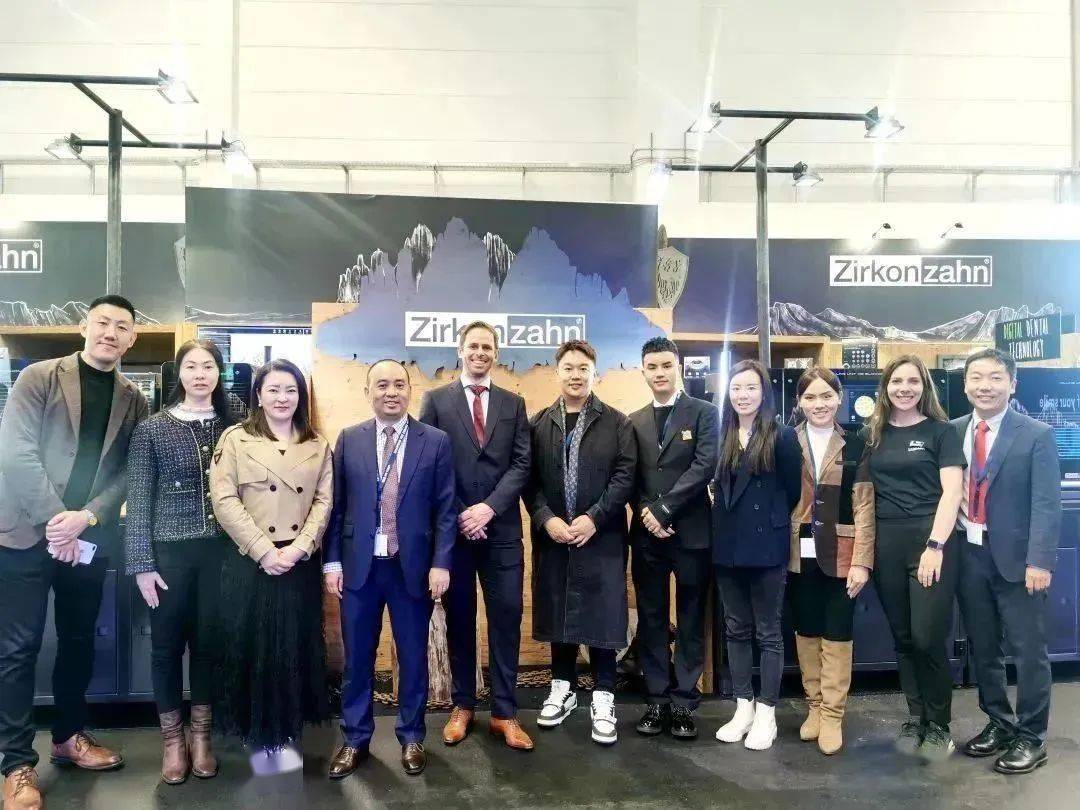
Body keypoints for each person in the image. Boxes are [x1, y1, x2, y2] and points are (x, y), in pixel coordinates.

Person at [0, 295, 147, 810]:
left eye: (122, 327)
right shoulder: (39, 377)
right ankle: (16, 764)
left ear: (131, 338)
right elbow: (15, 451)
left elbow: (128, 470)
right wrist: (55, 520)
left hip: (87, 538)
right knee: (17, 649)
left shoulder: (133, 397)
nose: (110, 332)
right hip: (23, 534)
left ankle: (68, 735)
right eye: (103, 322)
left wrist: (87, 518)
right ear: (85, 326)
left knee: (79, 639)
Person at [323, 359, 455, 778]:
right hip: (359, 569)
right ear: (368, 392)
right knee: (358, 658)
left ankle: (412, 736)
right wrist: (332, 562)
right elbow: (336, 507)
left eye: (399, 384)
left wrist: (441, 563)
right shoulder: (349, 439)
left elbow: (446, 510)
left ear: (410, 391)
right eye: (382, 385)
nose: (391, 392)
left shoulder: (435, 442)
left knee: (413, 658)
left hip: (411, 568)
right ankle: (355, 739)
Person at [210, 359, 334, 769]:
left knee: (292, 647)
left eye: (291, 390)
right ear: (258, 395)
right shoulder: (236, 439)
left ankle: (289, 731)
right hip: (251, 560)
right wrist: (264, 551)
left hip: (298, 561)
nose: (283, 398)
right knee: (253, 646)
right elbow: (224, 500)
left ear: (301, 396)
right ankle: (257, 734)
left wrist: (299, 549)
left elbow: (324, 502)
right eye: (274, 390)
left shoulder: (317, 443)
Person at [418, 322, 534, 751]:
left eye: (487, 346)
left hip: (502, 531)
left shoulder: (514, 403)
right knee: (460, 621)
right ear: (460, 350)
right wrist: (462, 513)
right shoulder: (436, 400)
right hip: (455, 533)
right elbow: (427, 463)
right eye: (473, 346)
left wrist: (489, 508)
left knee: (507, 619)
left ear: (496, 353)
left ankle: (505, 712)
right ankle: (463, 705)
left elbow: (522, 464)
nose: (480, 352)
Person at [125, 340, 233, 785]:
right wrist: (141, 563)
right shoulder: (152, 428)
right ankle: (173, 741)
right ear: (179, 373)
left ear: (219, 373)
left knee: (208, 646)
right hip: (168, 553)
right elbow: (139, 498)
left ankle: (202, 738)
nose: (200, 374)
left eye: (208, 366)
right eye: (191, 366)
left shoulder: (235, 423)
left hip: (222, 553)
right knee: (166, 648)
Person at [953, 349, 1062, 774]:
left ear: (1012, 384)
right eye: (977, 377)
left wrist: (1040, 561)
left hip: (1019, 562)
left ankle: (1032, 737)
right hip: (969, 555)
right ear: (965, 384)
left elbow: (1046, 503)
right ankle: (999, 722)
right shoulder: (953, 431)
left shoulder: (1036, 434)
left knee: (1028, 651)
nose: (986, 385)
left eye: (996, 377)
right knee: (983, 648)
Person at [526, 340, 636, 746]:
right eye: (569, 368)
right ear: (558, 373)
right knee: (559, 608)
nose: (576, 375)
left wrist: (595, 517)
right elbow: (528, 480)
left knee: (602, 613)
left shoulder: (618, 423)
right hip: (554, 536)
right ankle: (563, 687)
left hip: (601, 536)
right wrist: (546, 519)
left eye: (583, 368)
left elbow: (625, 476)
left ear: (595, 373)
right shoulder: (538, 424)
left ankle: (604, 694)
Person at [865, 354, 964, 759]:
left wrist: (935, 546)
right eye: (896, 381)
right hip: (886, 544)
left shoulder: (941, 432)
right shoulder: (873, 434)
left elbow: (952, 493)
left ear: (925, 387)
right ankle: (916, 716)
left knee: (927, 637)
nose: (904, 388)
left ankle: (939, 726)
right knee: (904, 638)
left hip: (930, 543)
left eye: (912, 381)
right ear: (885, 387)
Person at [628, 337, 718, 740]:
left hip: (691, 533)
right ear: (643, 371)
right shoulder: (633, 420)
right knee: (650, 619)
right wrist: (647, 515)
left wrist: (665, 510)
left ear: (677, 366)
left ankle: (684, 702)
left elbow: (705, 465)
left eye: (666, 365)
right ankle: (657, 700)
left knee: (691, 617)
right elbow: (628, 475)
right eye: (652, 366)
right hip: (647, 535)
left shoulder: (704, 413)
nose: (660, 373)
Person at [711, 359, 801, 752]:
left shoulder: (782, 436)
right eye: (736, 388)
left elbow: (793, 490)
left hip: (767, 547)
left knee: (768, 632)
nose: (742, 395)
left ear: (764, 393)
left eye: (750, 387)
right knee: (735, 628)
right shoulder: (722, 434)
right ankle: (743, 706)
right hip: (727, 546)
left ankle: (767, 712)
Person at [788, 367, 875, 755]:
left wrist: (862, 561)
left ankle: (833, 715)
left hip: (842, 553)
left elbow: (865, 506)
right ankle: (815, 707)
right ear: (799, 402)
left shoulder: (857, 444)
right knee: (806, 629)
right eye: (810, 397)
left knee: (837, 632)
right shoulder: (787, 441)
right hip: (796, 552)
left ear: (839, 398)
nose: (819, 404)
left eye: (826, 396)